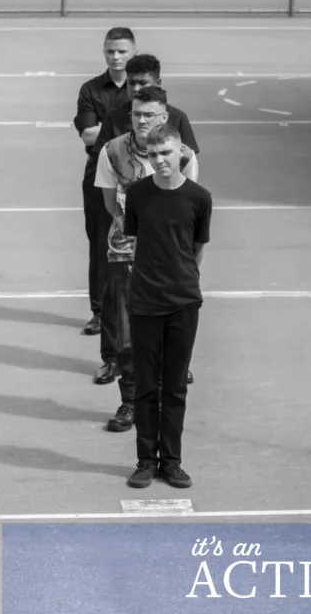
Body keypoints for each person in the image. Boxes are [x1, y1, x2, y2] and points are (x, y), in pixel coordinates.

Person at [94, 86, 199, 433]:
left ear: (165, 117)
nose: (141, 120)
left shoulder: (183, 156)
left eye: (149, 114)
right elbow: (111, 205)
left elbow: (188, 207)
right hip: (124, 254)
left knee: (165, 334)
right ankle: (129, 401)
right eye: (137, 113)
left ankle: (159, 399)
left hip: (169, 259)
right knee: (126, 335)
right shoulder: (111, 151)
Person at [122, 124, 211, 490]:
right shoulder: (138, 194)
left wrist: (183, 279)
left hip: (183, 303)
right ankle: (146, 460)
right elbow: (132, 240)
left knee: (175, 387)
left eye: (167, 153)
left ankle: (171, 461)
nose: (160, 160)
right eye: (154, 154)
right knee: (146, 386)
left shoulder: (199, 197)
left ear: (181, 154)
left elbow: (198, 247)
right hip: (144, 303)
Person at [74, 27, 136, 340]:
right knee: (100, 243)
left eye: (122, 51)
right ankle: (99, 312)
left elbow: (154, 126)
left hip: (139, 173)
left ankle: (136, 307)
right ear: (104, 51)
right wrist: (127, 130)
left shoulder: (141, 89)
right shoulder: (91, 89)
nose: (116, 57)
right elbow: (86, 134)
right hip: (100, 172)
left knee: (141, 242)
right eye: (111, 51)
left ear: (133, 52)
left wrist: (105, 128)